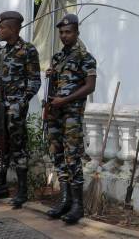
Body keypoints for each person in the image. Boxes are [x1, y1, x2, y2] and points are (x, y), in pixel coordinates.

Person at [0, 11, 41, 208]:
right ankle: (0, 186)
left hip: (15, 110)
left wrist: (21, 102)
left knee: (18, 147)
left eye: (2, 27)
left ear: (13, 29)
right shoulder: (0, 53)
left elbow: (34, 81)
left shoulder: (28, 50)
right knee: (1, 146)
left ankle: (22, 191)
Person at [45, 13, 96, 224]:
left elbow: (90, 86)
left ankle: (77, 206)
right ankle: (64, 200)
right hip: (55, 114)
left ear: (76, 33)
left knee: (73, 158)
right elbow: (54, 88)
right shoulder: (57, 58)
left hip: (72, 116)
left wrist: (65, 100)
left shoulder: (86, 57)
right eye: (62, 33)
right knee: (58, 156)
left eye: (68, 32)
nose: (64, 36)